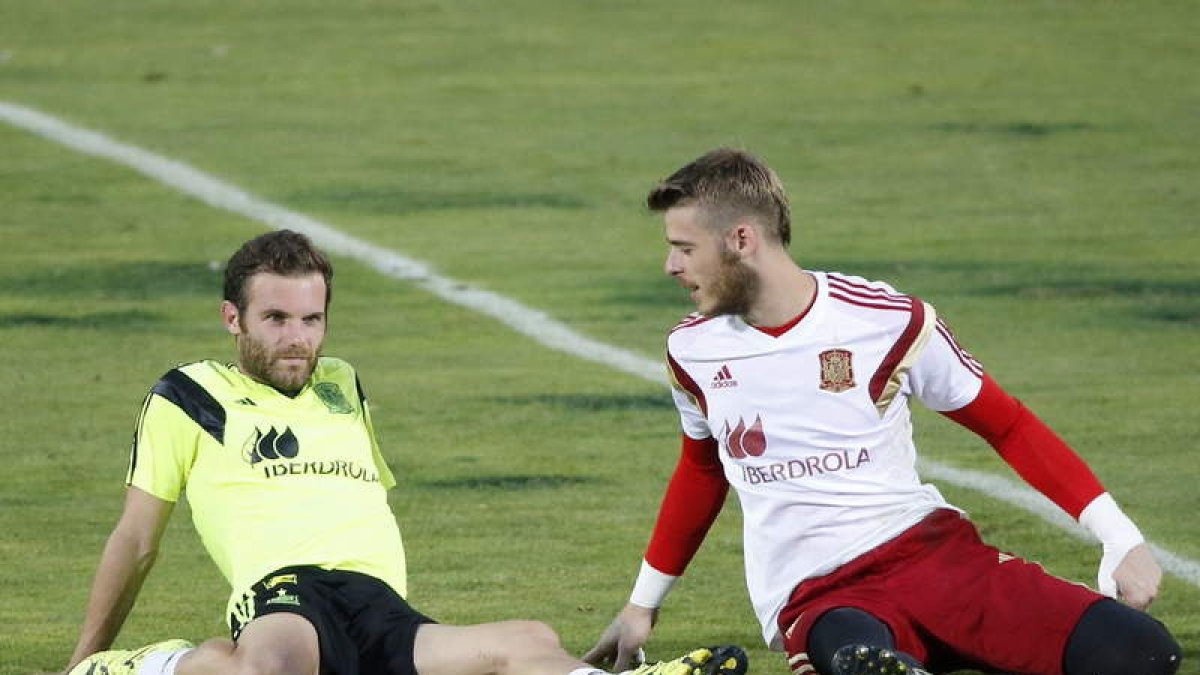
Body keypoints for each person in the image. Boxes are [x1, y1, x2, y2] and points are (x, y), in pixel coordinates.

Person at [584, 149, 1182, 675]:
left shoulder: (887, 321)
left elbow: (1007, 424)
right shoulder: (692, 348)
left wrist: (1118, 537)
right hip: (816, 593)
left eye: (684, 249)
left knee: (1141, 653)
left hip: (932, 555)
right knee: (852, 652)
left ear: (741, 240)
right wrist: (643, 604)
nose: (671, 267)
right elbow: (702, 470)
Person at [63, 229, 750, 675]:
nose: (297, 338)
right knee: (269, 667)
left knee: (526, 638)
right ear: (232, 318)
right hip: (285, 593)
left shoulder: (341, 383)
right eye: (275, 319)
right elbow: (136, 538)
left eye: (311, 318)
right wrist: (81, 654)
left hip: (380, 606)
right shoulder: (189, 394)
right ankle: (137, 667)